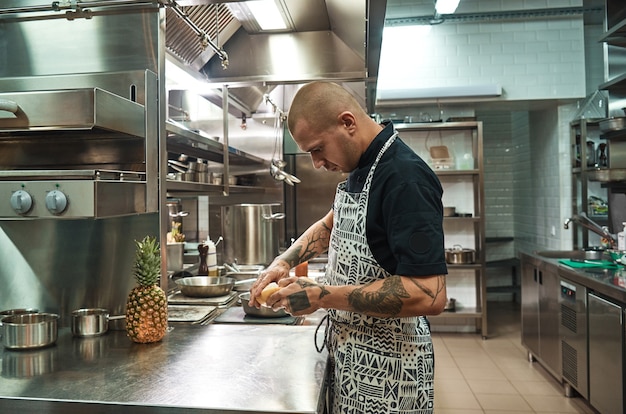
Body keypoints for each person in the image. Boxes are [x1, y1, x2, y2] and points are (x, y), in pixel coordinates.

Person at [249, 81, 448, 414]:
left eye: (317, 149)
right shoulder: (363, 166)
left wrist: (322, 295)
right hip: (352, 358)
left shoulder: (404, 178)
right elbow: (331, 223)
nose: (315, 163)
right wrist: (282, 262)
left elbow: (430, 293)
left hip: (392, 376)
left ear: (347, 123)